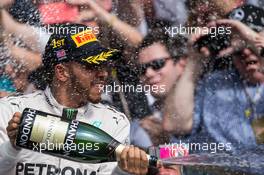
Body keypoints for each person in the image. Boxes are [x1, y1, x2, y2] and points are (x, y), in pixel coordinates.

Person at [0, 24, 149, 175]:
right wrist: (12, 147)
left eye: (104, 65)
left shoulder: (114, 122)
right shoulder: (11, 110)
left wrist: (124, 172)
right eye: (92, 66)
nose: (103, 74)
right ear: (62, 72)